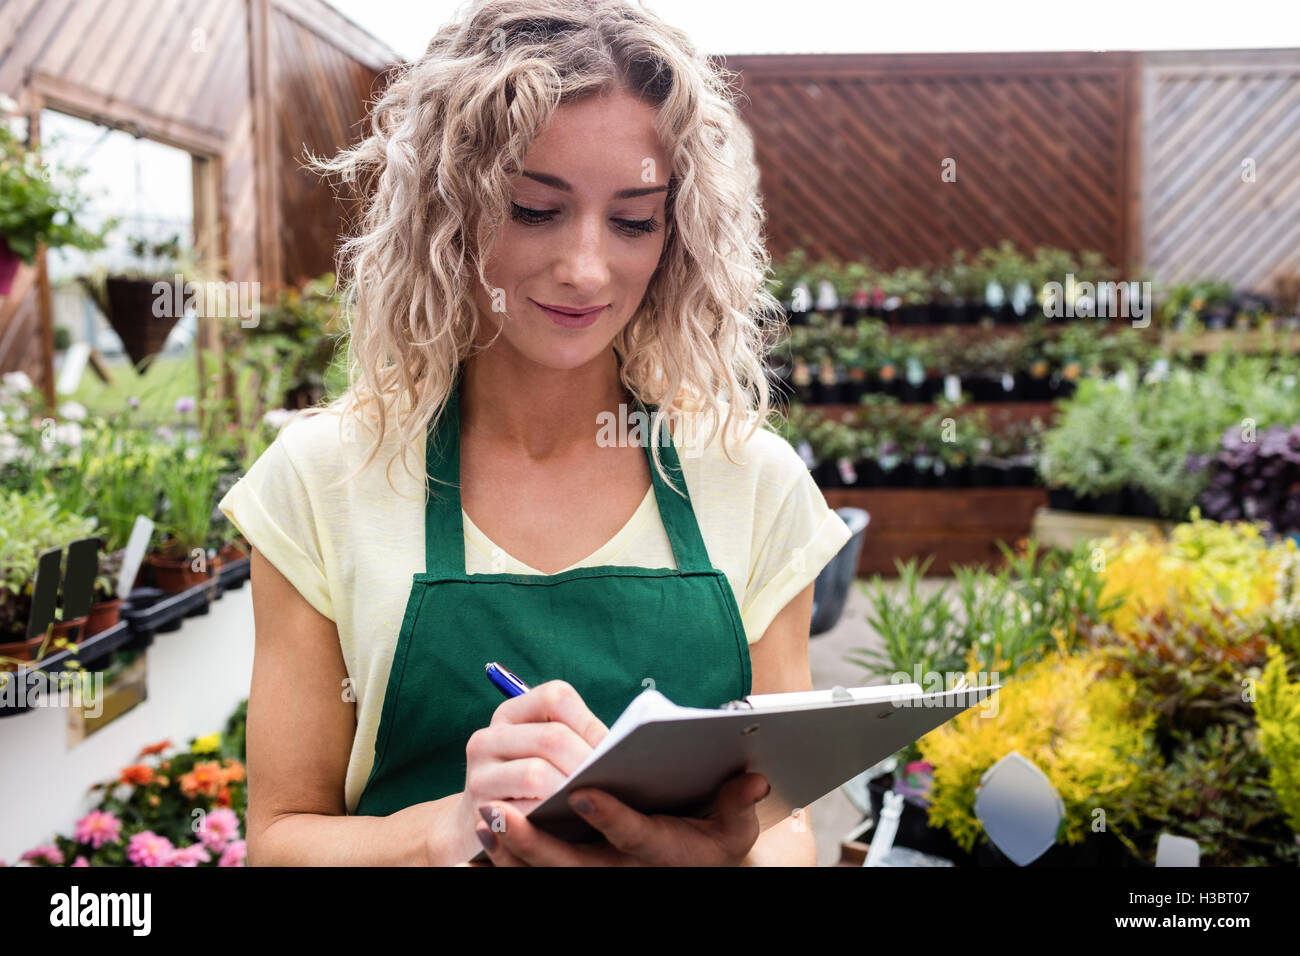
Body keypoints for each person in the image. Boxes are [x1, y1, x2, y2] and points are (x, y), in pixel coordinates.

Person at [218, 0, 852, 866]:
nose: (587, 267)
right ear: (448, 210)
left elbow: (786, 824)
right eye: (532, 209)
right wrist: (447, 831)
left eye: (634, 220)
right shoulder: (323, 479)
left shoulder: (749, 479)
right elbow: (280, 838)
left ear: (677, 234)